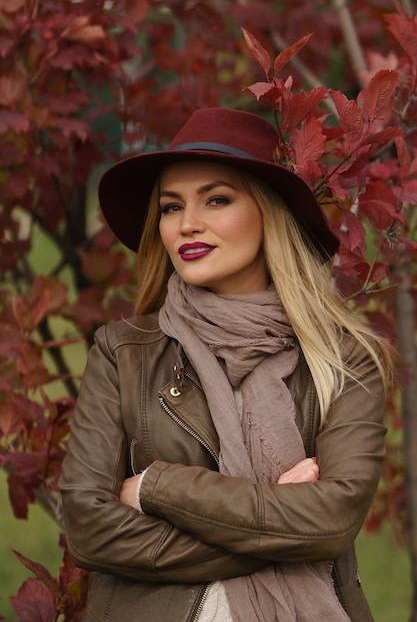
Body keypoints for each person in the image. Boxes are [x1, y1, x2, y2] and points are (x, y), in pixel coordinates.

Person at [59, 107, 390, 622]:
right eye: (171, 207)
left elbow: (332, 521)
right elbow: (88, 530)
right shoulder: (123, 353)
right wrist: (277, 524)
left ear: (268, 212)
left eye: (216, 199)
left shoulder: (344, 359)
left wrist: (157, 487)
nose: (188, 224)